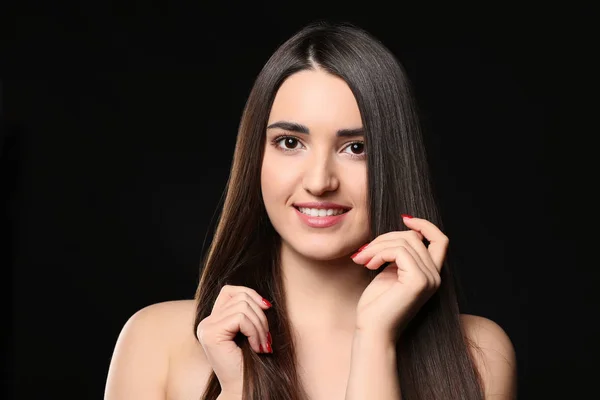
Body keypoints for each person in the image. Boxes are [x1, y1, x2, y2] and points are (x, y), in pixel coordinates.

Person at [104, 21, 517, 400]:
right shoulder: (158, 343)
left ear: (394, 161)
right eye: (290, 142)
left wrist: (375, 341)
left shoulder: (478, 355)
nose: (320, 181)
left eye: (357, 148)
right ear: (256, 157)